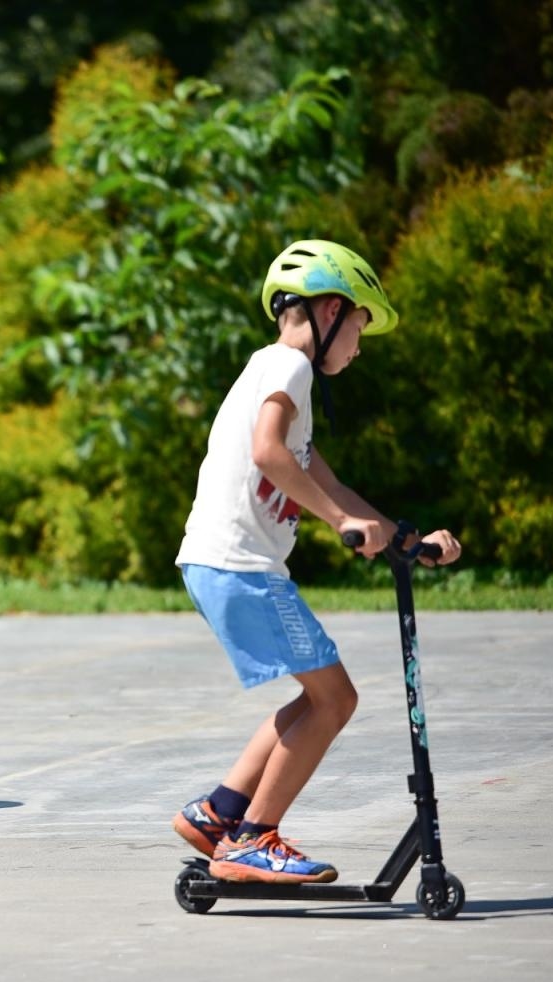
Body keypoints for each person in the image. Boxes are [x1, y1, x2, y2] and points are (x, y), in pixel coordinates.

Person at [171, 238, 461, 884]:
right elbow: (269, 454)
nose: (359, 347)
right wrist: (339, 524)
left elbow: (325, 484)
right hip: (240, 566)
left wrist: (404, 538)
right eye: (359, 327)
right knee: (335, 700)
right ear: (330, 311)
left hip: (226, 565)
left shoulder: (277, 376)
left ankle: (219, 814)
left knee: (318, 697)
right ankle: (252, 838)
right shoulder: (288, 368)